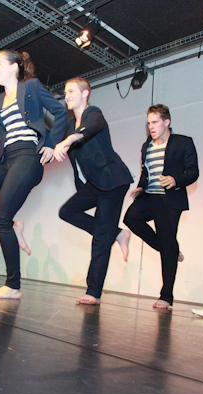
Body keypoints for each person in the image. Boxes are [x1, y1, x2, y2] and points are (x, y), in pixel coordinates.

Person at [0, 49, 67, 299]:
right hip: (7, 161)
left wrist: (52, 144)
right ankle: (13, 225)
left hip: (28, 158)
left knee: (0, 217)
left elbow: (60, 112)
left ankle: (13, 286)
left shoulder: (31, 87)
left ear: (14, 67)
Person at [54, 78, 133, 305]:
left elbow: (90, 129)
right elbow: (74, 158)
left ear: (85, 93)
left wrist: (69, 140)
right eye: (65, 92)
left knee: (99, 239)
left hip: (113, 180)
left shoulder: (94, 113)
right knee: (66, 211)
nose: (67, 96)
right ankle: (116, 233)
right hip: (93, 185)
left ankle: (93, 293)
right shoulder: (70, 124)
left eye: (71, 91)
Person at [123, 104, 199, 309]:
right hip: (150, 197)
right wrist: (141, 186)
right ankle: (170, 248)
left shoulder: (183, 142)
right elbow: (145, 172)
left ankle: (166, 296)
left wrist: (175, 180)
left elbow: (193, 172)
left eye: (155, 122)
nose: (151, 127)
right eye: (149, 123)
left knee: (167, 243)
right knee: (130, 218)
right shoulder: (146, 145)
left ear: (167, 122)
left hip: (169, 200)